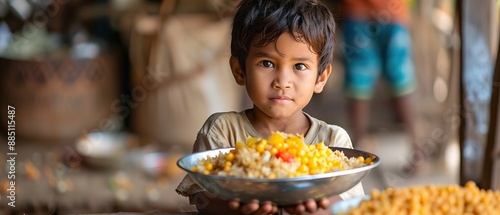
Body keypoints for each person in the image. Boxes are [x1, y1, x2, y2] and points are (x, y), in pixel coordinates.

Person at [176, 0, 365, 214]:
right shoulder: (223, 131)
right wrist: (239, 207)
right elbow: (202, 198)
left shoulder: (333, 142)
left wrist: (313, 205)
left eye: (299, 66)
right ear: (239, 70)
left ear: (320, 78)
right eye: (267, 63)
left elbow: (349, 208)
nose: (282, 81)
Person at [339, 0, 422, 164]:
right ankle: (418, 150)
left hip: (358, 14)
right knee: (401, 80)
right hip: (392, 12)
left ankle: (358, 147)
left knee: (359, 79)